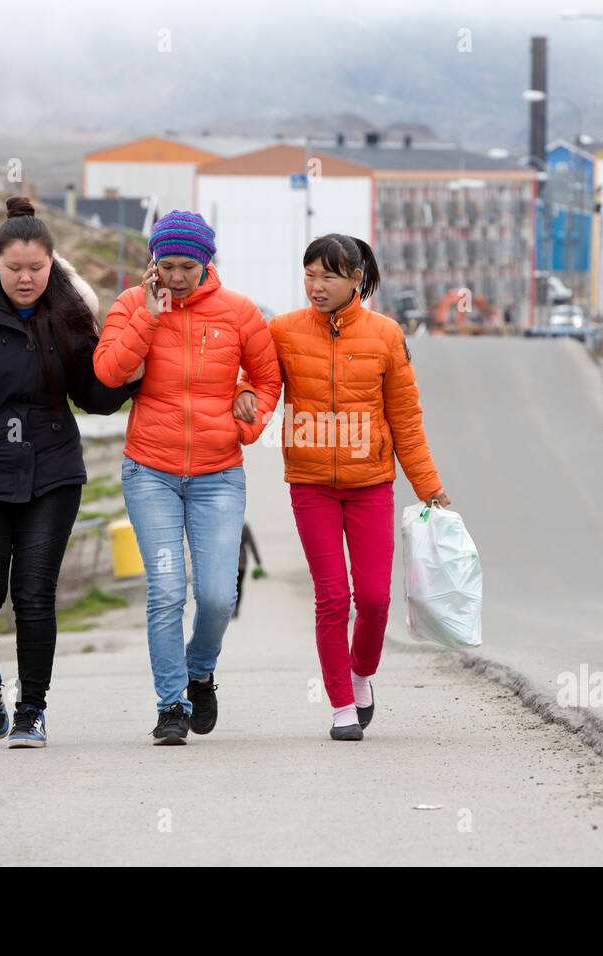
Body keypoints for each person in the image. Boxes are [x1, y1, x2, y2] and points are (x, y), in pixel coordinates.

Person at [0, 197, 143, 749]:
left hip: (53, 472)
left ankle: (31, 710)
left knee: (35, 595)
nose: (25, 278)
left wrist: (129, 378)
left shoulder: (68, 312)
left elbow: (90, 393)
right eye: (14, 268)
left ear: (52, 263)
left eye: (36, 268)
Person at [235, 234, 449, 741]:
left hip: (371, 483)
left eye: (328, 276)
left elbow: (406, 419)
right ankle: (341, 708)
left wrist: (429, 485)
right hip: (311, 485)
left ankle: (360, 673)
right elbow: (259, 379)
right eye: (309, 275)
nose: (316, 286)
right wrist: (246, 395)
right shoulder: (282, 330)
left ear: (356, 279)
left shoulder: (386, 335)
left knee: (373, 599)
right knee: (333, 597)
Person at [93, 210, 281, 745]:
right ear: (152, 263)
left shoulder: (240, 312)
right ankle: (171, 703)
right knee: (168, 590)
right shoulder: (132, 304)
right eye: (166, 266)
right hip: (150, 470)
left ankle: (201, 671)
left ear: (206, 263)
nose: (176, 277)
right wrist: (150, 316)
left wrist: (248, 421)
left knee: (219, 594)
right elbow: (106, 372)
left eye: (187, 267)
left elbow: (269, 378)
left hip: (218, 474)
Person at [233, 522, 264, 619]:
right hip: (242, 562)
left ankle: (230, 608)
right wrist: (258, 561)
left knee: (230, 587)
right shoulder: (244, 526)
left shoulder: (228, 524)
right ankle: (236, 608)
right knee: (239, 586)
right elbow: (252, 544)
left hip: (229, 562)